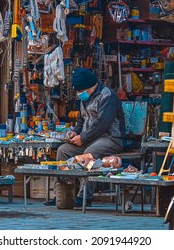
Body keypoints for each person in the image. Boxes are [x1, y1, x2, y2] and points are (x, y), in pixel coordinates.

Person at [44, 68, 126, 207]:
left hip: (110, 139)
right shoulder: (85, 98)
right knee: (63, 150)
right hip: (89, 139)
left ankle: (84, 196)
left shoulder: (107, 96)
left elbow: (103, 124)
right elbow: (81, 121)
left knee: (89, 153)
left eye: (80, 90)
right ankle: (64, 193)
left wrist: (83, 137)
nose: (78, 94)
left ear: (90, 86)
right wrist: (75, 132)